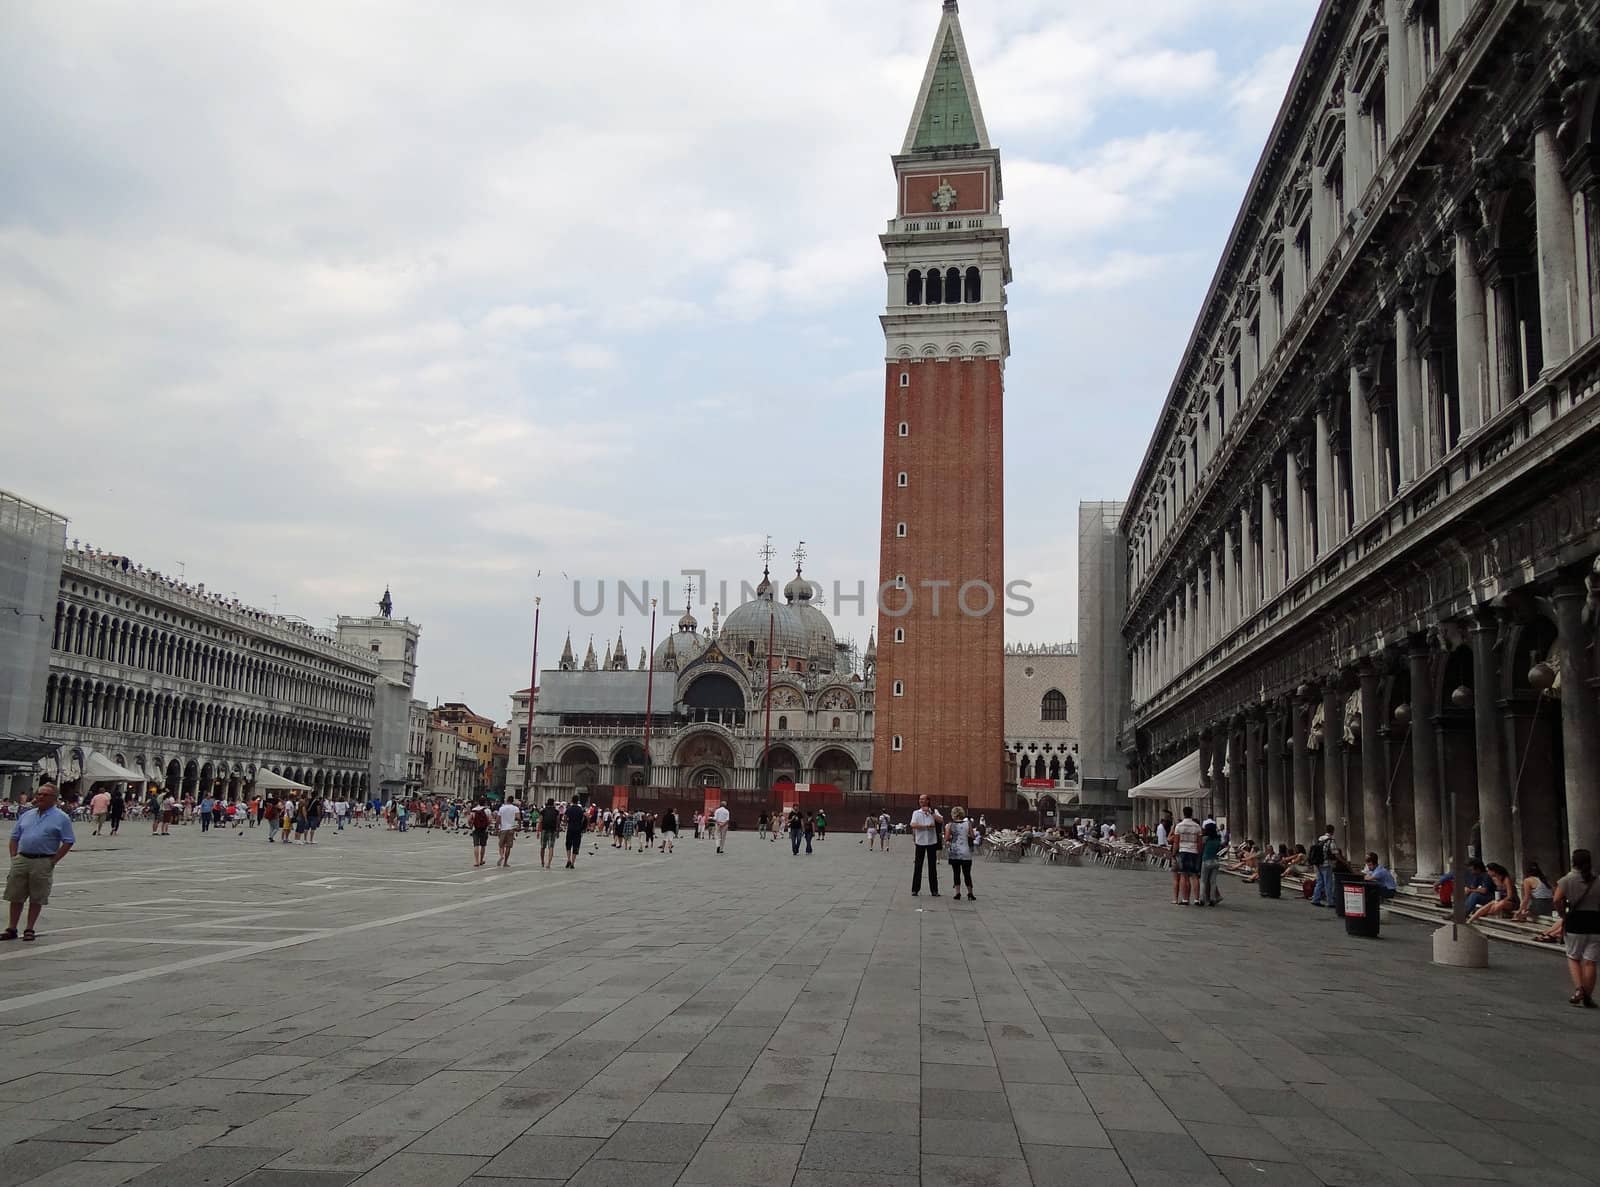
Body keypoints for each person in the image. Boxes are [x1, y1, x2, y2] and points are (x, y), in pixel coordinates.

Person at [3, 784, 74, 942]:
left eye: (45, 795)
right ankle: (11, 928)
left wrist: (54, 860)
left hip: (43, 859)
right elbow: (14, 836)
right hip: (22, 859)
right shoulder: (27, 814)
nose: (40, 797)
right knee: (15, 895)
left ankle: (29, 928)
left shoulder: (61, 817)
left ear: (54, 799)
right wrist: (14, 857)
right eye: (39, 794)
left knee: (37, 896)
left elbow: (69, 841)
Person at [1555, 848, 1599, 1008]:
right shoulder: (1597, 880)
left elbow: (1557, 899)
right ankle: (1588, 994)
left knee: (1573, 957)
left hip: (1575, 921)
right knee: (1590, 961)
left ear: (1573, 861)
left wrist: (1563, 914)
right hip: (1595, 922)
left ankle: (1580, 989)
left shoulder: (1567, 880)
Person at [909, 795, 943, 897]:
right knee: (918, 866)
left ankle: (934, 890)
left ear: (928, 801)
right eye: (920, 799)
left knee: (932, 867)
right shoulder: (916, 813)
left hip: (932, 841)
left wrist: (931, 813)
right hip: (920, 842)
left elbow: (940, 820)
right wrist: (925, 827)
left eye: (923, 799)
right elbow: (913, 825)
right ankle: (915, 889)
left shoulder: (934, 811)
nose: (921, 801)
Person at [1171, 807, 1203, 906]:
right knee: (1194, 876)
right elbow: (1200, 842)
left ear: (1183, 813)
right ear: (1191, 814)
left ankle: (1185, 899)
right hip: (1194, 851)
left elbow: (1176, 842)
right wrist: (1199, 853)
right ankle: (1197, 899)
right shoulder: (1197, 826)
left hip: (1183, 851)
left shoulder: (1179, 826)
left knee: (1184, 875)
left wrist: (1173, 853)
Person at [946, 807, 975, 901]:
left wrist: (953, 837)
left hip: (955, 851)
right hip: (966, 851)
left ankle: (957, 893)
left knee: (956, 872)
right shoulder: (968, 823)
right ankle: (970, 893)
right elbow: (972, 836)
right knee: (967, 873)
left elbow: (946, 838)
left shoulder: (950, 825)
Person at [1310, 824, 1339, 908]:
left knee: (1320, 881)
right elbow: (1335, 852)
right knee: (1328, 883)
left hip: (1318, 863)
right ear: (1333, 831)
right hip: (1326, 863)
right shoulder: (1331, 840)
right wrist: (1343, 860)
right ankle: (1330, 901)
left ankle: (1315, 899)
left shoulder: (1320, 839)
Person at [1198, 820, 1224, 906]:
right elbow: (1218, 849)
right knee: (1213, 882)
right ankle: (1213, 899)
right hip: (1215, 861)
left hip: (1206, 860)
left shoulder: (1205, 839)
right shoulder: (1218, 839)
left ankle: (1202, 899)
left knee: (1203, 881)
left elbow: (1201, 848)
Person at [495, 798, 521, 867]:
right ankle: (505, 862)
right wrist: (519, 826)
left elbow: (497, 819)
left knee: (501, 845)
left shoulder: (502, 808)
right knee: (508, 846)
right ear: (512, 801)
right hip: (511, 829)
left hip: (503, 828)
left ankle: (501, 856)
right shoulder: (515, 808)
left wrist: (496, 828)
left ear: (506, 801)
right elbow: (518, 818)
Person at [467, 799, 493, 868]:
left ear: (478, 803)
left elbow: (469, 819)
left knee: (476, 845)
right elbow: (490, 820)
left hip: (475, 829)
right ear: (485, 803)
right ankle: (481, 860)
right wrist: (487, 825)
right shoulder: (487, 810)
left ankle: (476, 861)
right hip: (484, 829)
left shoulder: (474, 809)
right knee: (483, 845)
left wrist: (470, 825)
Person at [563, 797, 586, 869]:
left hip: (570, 828)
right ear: (578, 801)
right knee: (576, 845)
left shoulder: (569, 809)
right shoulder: (580, 810)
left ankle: (568, 859)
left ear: (572, 801)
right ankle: (573, 863)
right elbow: (583, 819)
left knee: (568, 844)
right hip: (578, 829)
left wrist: (566, 823)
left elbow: (565, 817)